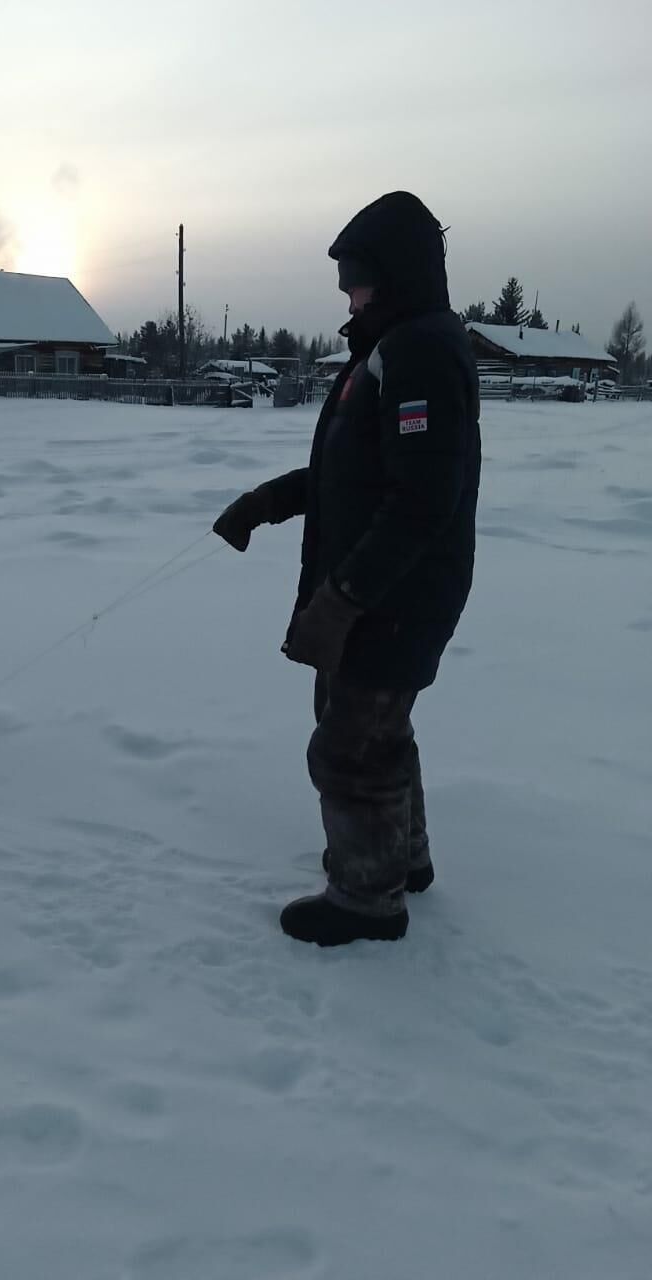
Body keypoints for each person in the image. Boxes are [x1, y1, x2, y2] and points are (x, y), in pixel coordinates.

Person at [213, 191, 481, 948]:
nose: (346, 292)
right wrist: (270, 501)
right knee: (379, 727)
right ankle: (406, 860)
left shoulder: (419, 351)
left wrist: (348, 596)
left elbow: (423, 499)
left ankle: (368, 899)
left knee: (350, 742)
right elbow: (358, 473)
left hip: (394, 592)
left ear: (392, 273)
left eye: (355, 276)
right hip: (383, 588)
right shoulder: (388, 347)